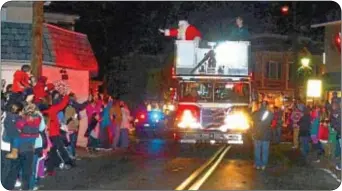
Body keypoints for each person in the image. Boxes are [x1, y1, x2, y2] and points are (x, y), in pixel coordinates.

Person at [42, 93, 74, 175]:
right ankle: (67, 163)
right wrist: (66, 96)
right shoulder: (52, 109)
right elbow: (62, 105)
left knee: (51, 151)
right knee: (60, 149)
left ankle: (51, 168)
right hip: (54, 133)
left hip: (46, 134)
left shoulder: (42, 110)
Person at [251, 101, 273, 170]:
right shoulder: (270, 114)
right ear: (267, 106)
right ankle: (263, 165)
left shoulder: (255, 113)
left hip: (257, 134)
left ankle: (257, 164)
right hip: (266, 135)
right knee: (265, 150)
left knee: (257, 150)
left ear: (260, 105)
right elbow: (271, 121)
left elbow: (251, 118)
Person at [330, 102, 341, 170]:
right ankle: (337, 154)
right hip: (339, 133)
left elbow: (336, 123)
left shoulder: (337, 113)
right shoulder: (336, 112)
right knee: (338, 144)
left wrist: (333, 126)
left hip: (339, 132)